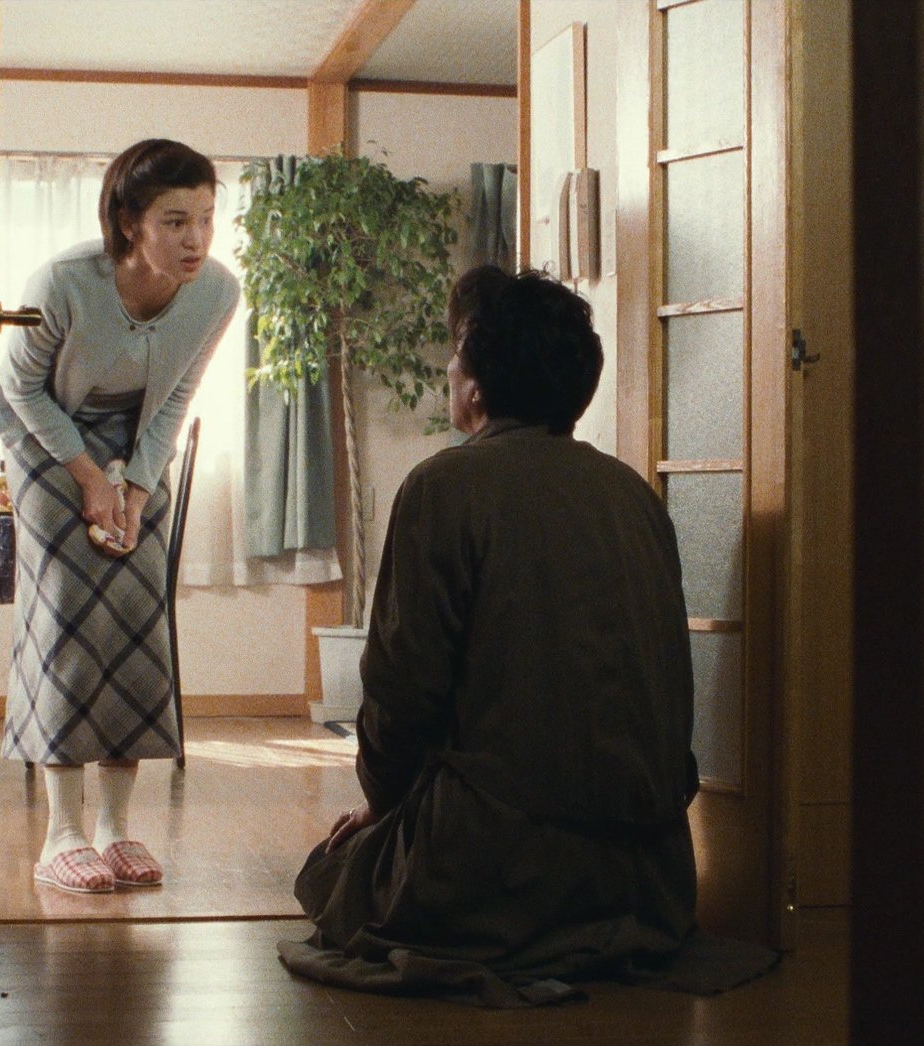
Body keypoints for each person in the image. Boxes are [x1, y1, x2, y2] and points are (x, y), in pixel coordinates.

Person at [279, 266, 777, 1005]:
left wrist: (383, 809)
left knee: (331, 873)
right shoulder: (635, 495)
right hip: (648, 881)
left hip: (494, 869)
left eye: (456, 356)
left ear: (477, 386)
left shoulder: (443, 486)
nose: (450, 371)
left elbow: (401, 694)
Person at [0, 139, 239, 894]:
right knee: (69, 607)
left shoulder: (217, 291)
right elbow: (19, 388)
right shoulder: (66, 281)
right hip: (46, 434)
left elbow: (176, 398)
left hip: (135, 442)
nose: (197, 238)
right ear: (130, 222)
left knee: (136, 610)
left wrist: (134, 488)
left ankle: (114, 826)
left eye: (206, 217)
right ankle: (61, 833)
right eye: (176, 221)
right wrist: (85, 478)